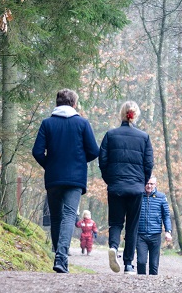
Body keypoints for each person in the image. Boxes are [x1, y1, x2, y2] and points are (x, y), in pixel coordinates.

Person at [32, 89, 100, 273]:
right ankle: (61, 258)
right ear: (74, 104)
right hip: (75, 178)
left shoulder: (47, 123)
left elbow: (37, 151)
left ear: (57, 103)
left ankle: (58, 257)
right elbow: (94, 151)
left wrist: (50, 165)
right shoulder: (82, 123)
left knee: (56, 217)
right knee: (70, 215)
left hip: (54, 177)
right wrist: (78, 161)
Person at [98, 100, 153, 274]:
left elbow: (103, 160)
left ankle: (113, 247)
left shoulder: (110, 135)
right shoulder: (144, 137)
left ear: (121, 114)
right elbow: (149, 163)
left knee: (115, 222)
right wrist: (141, 182)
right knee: (132, 226)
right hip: (136, 188)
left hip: (116, 186)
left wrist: (110, 179)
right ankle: (129, 264)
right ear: (135, 115)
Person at [135, 176, 172, 275]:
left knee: (154, 265)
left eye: (151, 184)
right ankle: (140, 283)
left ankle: (153, 287)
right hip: (140, 235)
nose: (149, 186)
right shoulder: (137, 196)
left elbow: (166, 216)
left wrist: (168, 231)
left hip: (155, 235)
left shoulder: (161, 197)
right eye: (147, 183)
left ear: (155, 185)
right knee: (141, 262)